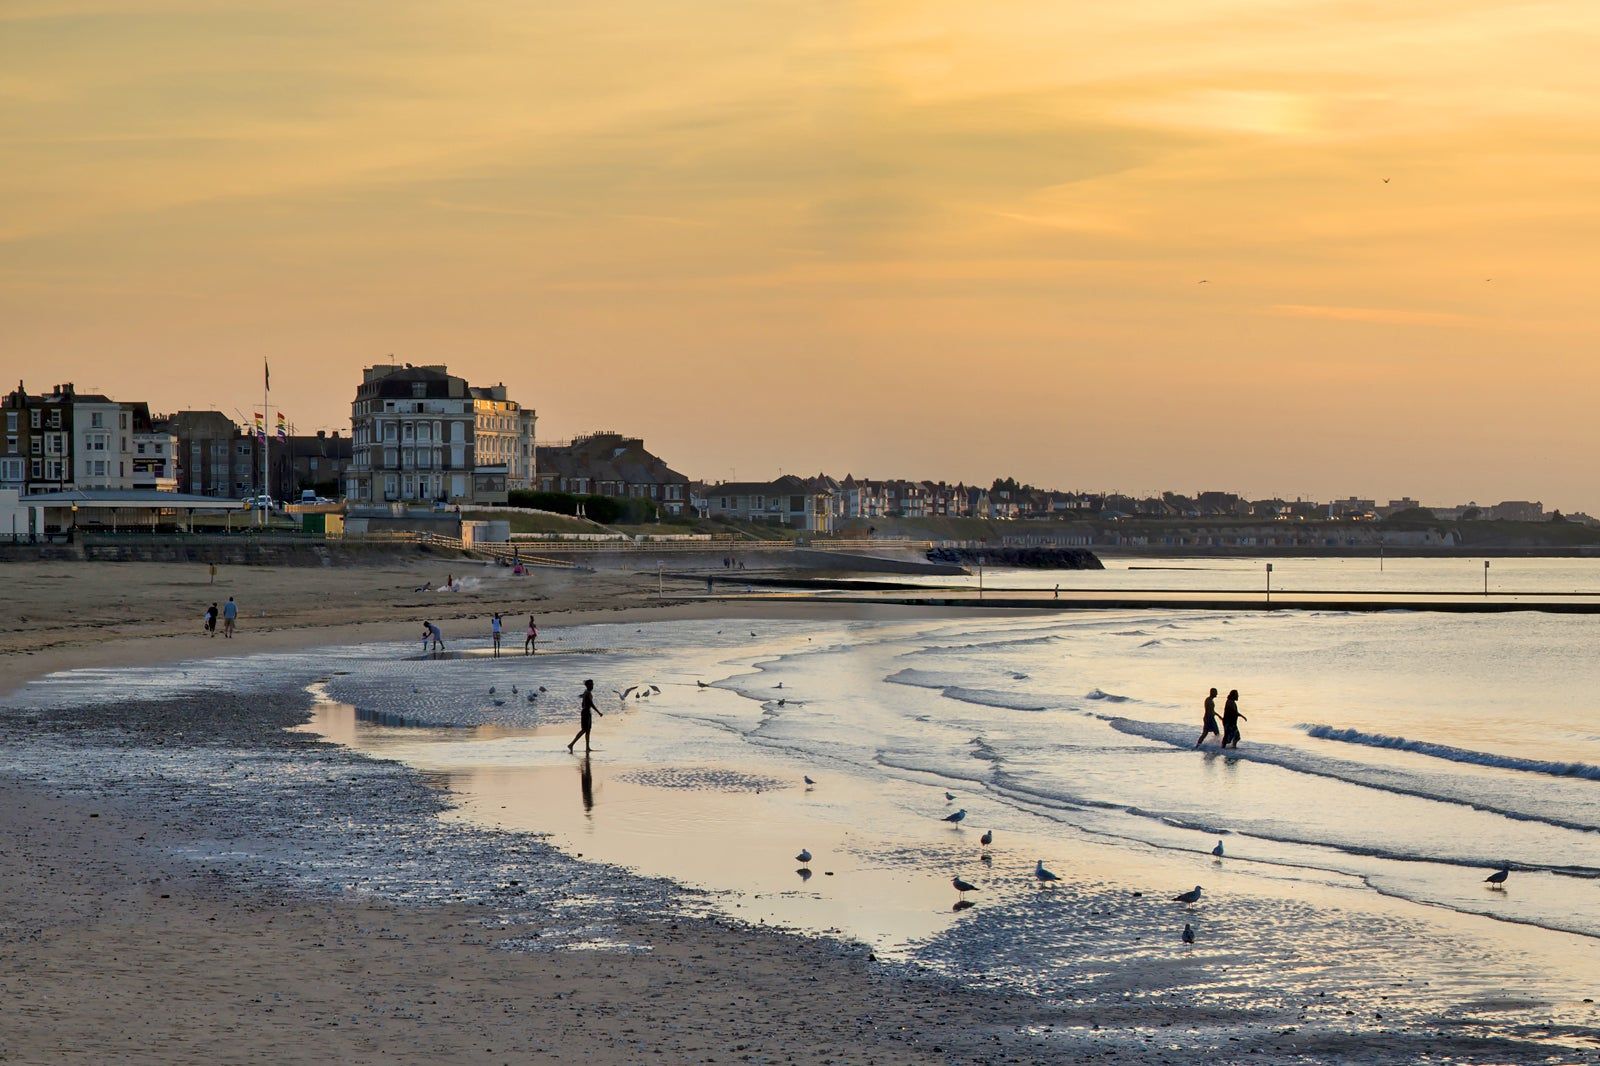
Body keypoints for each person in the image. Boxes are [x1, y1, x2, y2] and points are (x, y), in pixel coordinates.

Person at [567, 679, 603, 753]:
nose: (593, 686)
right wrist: (599, 712)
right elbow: (591, 704)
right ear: (588, 686)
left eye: (593, 684)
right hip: (586, 713)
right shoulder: (587, 693)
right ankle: (571, 744)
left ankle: (587, 747)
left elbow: (583, 703)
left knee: (588, 730)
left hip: (586, 712)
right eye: (591, 685)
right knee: (584, 730)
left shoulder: (586, 692)